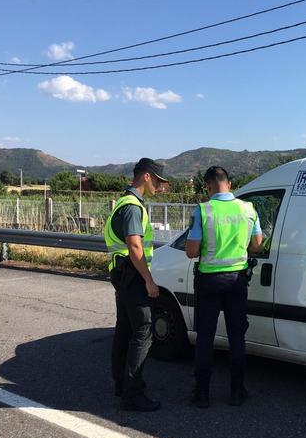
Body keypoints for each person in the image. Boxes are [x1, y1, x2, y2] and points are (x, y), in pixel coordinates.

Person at [185, 166, 263, 408]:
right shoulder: (248, 209)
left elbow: (191, 251)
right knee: (237, 337)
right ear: (229, 184)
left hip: (209, 281)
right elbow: (257, 243)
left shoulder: (203, 210)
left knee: (206, 338)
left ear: (208, 186)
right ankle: (237, 392)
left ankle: (202, 395)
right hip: (237, 280)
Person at [104, 158, 167, 412]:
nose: (161, 188)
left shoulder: (124, 202)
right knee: (143, 331)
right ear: (147, 177)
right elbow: (134, 246)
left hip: (123, 275)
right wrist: (149, 280)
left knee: (125, 330)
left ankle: (121, 383)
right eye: (159, 182)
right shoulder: (132, 207)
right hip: (133, 276)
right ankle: (133, 393)